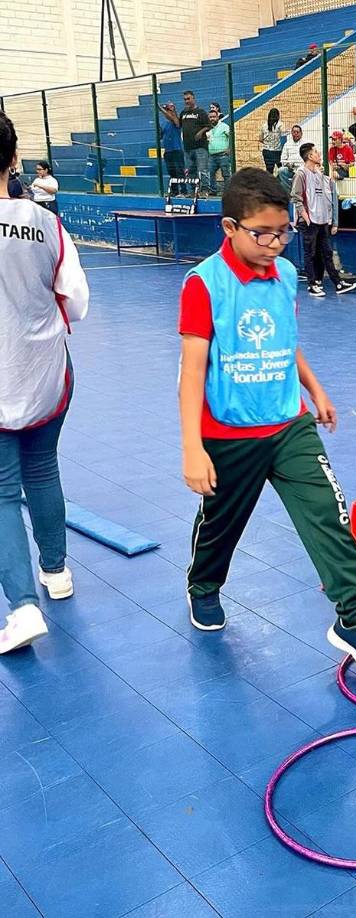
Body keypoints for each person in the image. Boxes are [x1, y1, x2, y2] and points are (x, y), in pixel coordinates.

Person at [177, 168, 356, 676]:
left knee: (329, 514)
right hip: (229, 433)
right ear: (229, 228)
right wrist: (193, 447)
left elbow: (284, 341)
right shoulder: (204, 285)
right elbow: (191, 373)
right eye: (263, 233)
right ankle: (203, 586)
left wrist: (314, 389)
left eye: (284, 232)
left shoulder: (287, 276)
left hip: (289, 425)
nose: (276, 243)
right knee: (221, 524)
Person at [0, 112, 89, 654]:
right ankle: (55, 572)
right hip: (47, 373)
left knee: (3, 492)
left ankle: (22, 606)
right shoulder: (45, 222)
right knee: (42, 468)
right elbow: (77, 301)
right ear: (13, 160)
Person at [291, 143, 356, 297]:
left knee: (326, 252)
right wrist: (305, 217)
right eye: (315, 152)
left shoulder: (319, 175)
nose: (319, 153)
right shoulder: (301, 174)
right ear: (309, 156)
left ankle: (338, 283)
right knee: (310, 253)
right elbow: (296, 197)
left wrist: (330, 220)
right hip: (309, 220)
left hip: (321, 221)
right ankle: (312, 284)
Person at [178, 90, 210, 194]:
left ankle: (204, 191)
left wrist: (200, 132)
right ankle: (192, 191)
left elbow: (208, 126)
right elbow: (178, 124)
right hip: (188, 147)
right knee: (190, 171)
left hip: (200, 147)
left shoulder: (201, 112)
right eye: (185, 99)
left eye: (188, 99)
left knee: (202, 170)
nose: (186, 101)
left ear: (193, 98)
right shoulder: (183, 113)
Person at [199, 110, 232, 195]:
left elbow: (231, 137)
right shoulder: (207, 129)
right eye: (210, 117)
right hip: (212, 156)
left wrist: (229, 148)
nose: (212, 119)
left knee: (226, 174)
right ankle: (213, 191)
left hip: (223, 155)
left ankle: (228, 192)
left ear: (218, 117)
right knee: (210, 173)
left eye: (214, 117)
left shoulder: (224, 126)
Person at [157, 101, 185, 184]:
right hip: (168, 151)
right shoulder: (164, 123)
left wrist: (160, 108)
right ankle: (174, 191)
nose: (166, 112)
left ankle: (184, 190)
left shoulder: (177, 120)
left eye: (168, 110)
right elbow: (160, 136)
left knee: (180, 171)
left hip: (176, 150)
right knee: (171, 172)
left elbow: (174, 120)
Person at [277, 124, 304, 193]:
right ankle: (290, 192)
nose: (295, 134)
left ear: (301, 133)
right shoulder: (287, 144)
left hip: (302, 168)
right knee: (281, 170)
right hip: (291, 168)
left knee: (300, 172)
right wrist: (288, 165)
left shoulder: (305, 143)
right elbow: (282, 159)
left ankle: (298, 192)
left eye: (297, 132)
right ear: (291, 133)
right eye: (294, 132)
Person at [260, 108, 285, 174]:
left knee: (269, 171)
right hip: (277, 151)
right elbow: (284, 135)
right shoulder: (280, 124)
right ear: (278, 116)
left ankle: (269, 183)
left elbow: (260, 139)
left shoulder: (264, 125)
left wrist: (267, 142)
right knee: (281, 169)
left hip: (267, 151)